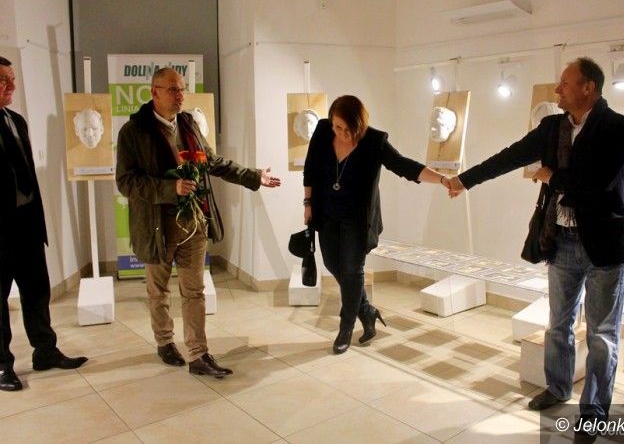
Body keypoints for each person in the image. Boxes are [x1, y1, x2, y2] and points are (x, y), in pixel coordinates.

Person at [447, 57, 624, 426]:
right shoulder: (552, 127)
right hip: (561, 239)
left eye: (565, 83)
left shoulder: (618, 127)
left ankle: (594, 410)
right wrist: (465, 180)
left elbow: (598, 184)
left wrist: (552, 176)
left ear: (588, 88)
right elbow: (510, 157)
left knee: (602, 334)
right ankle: (558, 387)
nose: (557, 89)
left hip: (605, 246)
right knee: (558, 324)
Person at [116, 68, 281, 378]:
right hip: (156, 227)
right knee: (158, 291)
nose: (180, 95)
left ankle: (198, 354)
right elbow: (126, 182)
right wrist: (170, 188)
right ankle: (165, 342)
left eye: (182, 89)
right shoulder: (133, 131)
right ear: (154, 92)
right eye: (173, 90)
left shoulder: (188, 123)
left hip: (193, 222)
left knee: (194, 291)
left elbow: (212, 162)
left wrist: (253, 175)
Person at [303, 95, 449, 354]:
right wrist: (307, 203)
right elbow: (310, 169)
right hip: (326, 212)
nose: (341, 134)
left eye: (347, 129)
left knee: (352, 270)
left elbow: (404, 166)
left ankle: (346, 327)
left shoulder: (374, 141)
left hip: (357, 219)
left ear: (359, 125)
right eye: (337, 127)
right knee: (332, 263)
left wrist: (442, 179)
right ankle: (366, 310)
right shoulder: (324, 130)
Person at [0, 56, 88, 392]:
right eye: (4, 80)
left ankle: (45, 351)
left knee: (37, 291)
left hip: (27, 224)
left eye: (13, 78)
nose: (12, 86)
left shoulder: (15, 120)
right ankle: (2, 366)